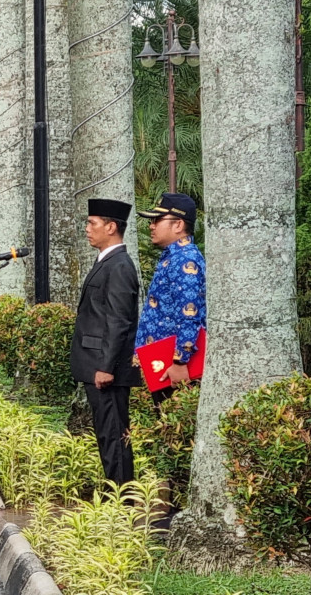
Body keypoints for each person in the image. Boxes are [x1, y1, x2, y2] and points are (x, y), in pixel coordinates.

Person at [70, 199, 140, 485]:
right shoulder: (107, 262)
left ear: (111, 227)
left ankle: (122, 499)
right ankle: (117, 492)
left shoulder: (120, 265)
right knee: (106, 433)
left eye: (93, 223)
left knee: (113, 434)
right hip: (97, 364)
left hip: (106, 368)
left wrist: (107, 366)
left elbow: (118, 320)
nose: (87, 229)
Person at [136, 193, 206, 407]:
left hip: (175, 370)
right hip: (162, 364)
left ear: (178, 224)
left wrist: (179, 361)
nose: (151, 226)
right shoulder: (173, 257)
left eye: (157, 220)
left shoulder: (186, 260)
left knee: (177, 431)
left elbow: (189, 313)